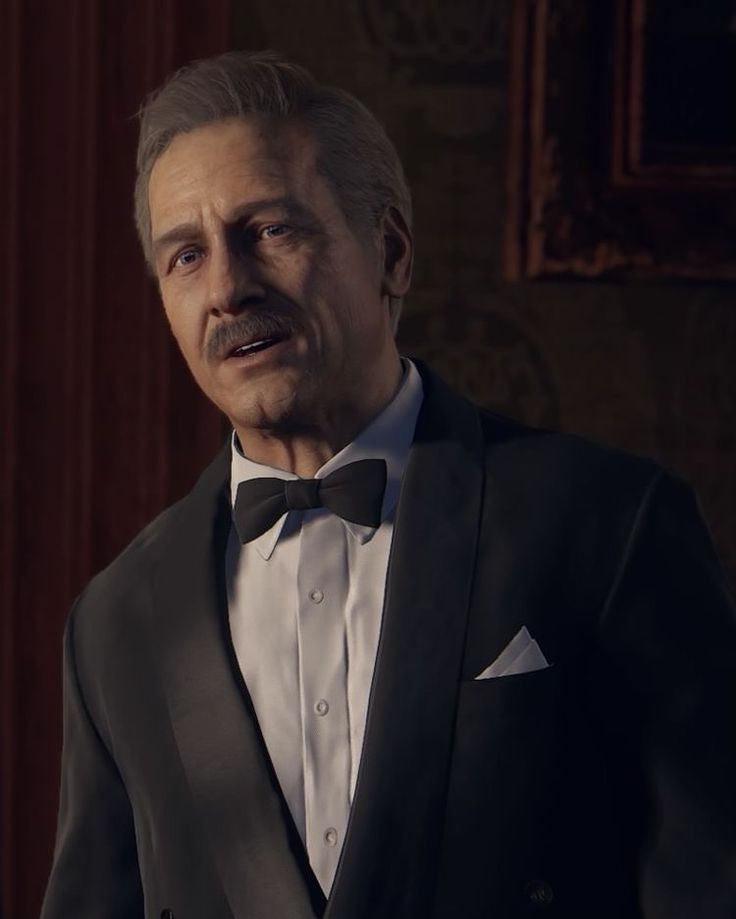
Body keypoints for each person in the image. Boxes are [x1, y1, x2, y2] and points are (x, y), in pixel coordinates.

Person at [42, 51, 736, 919]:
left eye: (269, 229)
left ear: (391, 251)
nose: (227, 287)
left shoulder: (608, 524)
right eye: (185, 256)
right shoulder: (113, 624)